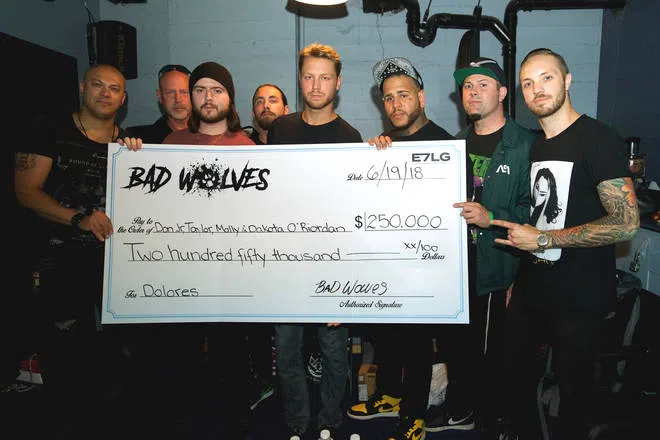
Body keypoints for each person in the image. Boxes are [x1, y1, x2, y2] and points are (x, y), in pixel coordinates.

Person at [490, 48, 639, 440]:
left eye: (547, 78)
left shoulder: (599, 139)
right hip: (533, 290)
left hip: (580, 298)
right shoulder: (539, 146)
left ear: (567, 80)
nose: (537, 89)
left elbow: (626, 223)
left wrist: (543, 238)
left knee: (574, 400)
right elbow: (544, 217)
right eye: (528, 83)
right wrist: (519, 279)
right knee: (516, 381)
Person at [13, 64, 132, 435]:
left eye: (114, 88)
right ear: (83, 88)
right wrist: (78, 219)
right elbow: (26, 192)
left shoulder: (127, 144)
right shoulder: (48, 130)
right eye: (98, 85)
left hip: (112, 270)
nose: (105, 93)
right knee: (64, 361)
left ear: (123, 99)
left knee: (113, 362)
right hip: (58, 264)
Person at [422, 57, 537, 436]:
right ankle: (463, 407)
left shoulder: (526, 145)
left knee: (496, 353)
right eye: (467, 86)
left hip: (500, 264)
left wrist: (492, 217)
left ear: (502, 92)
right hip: (458, 265)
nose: (472, 92)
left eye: (482, 85)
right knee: (458, 347)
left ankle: (492, 420)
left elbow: (538, 212)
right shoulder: (455, 145)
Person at [346, 57, 454, 440]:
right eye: (388, 98)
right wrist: (371, 160)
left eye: (403, 95)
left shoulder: (445, 145)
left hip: (424, 265)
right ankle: (389, 395)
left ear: (421, 98)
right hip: (388, 263)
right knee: (386, 333)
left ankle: (414, 416)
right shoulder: (384, 145)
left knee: (418, 342)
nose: (395, 104)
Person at [267, 43, 362, 440]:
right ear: (300, 80)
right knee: (287, 349)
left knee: (334, 351)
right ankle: (297, 423)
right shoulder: (281, 129)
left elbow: (356, 211)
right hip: (286, 261)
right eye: (309, 76)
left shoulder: (351, 137)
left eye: (325, 77)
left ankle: (329, 422)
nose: (317, 85)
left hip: (332, 263)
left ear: (337, 83)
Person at [164, 61, 253, 145]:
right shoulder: (173, 142)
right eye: (200, 90)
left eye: (217, 91)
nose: (208, 97)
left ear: (230, 98)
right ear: (191, 97)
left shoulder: (245, 148)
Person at [127, 64, 192, 143]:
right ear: (160, 96)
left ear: (194, 95)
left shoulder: (206, 134)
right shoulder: (137, 138)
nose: (178, 99)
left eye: (184, 92)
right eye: (170, 93)